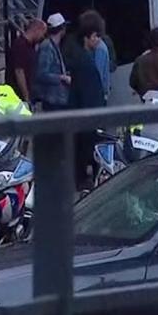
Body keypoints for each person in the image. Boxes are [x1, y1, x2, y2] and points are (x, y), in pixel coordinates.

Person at [66, 11, 109, 188]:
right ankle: (82, 180)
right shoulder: (86, 64)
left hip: (80, 115)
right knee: (85, 150)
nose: (98, 40)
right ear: (89, 36)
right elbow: (90, 94)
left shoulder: (79, 58)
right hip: (87, 117)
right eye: (96, 36)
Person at [33, 13, 72, 111]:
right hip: (52, 99)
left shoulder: (54, 45)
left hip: (57, 98)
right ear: (62, 28)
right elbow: (41, 74)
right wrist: (62, 77)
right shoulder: (47, 47)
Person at [6, 18, 46, 104]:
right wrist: (26, 96)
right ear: (37, 30)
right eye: (42, 33)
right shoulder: (20, 45)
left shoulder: (30, 47)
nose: (42, 37)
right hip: (18, 96)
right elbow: (19, 72)